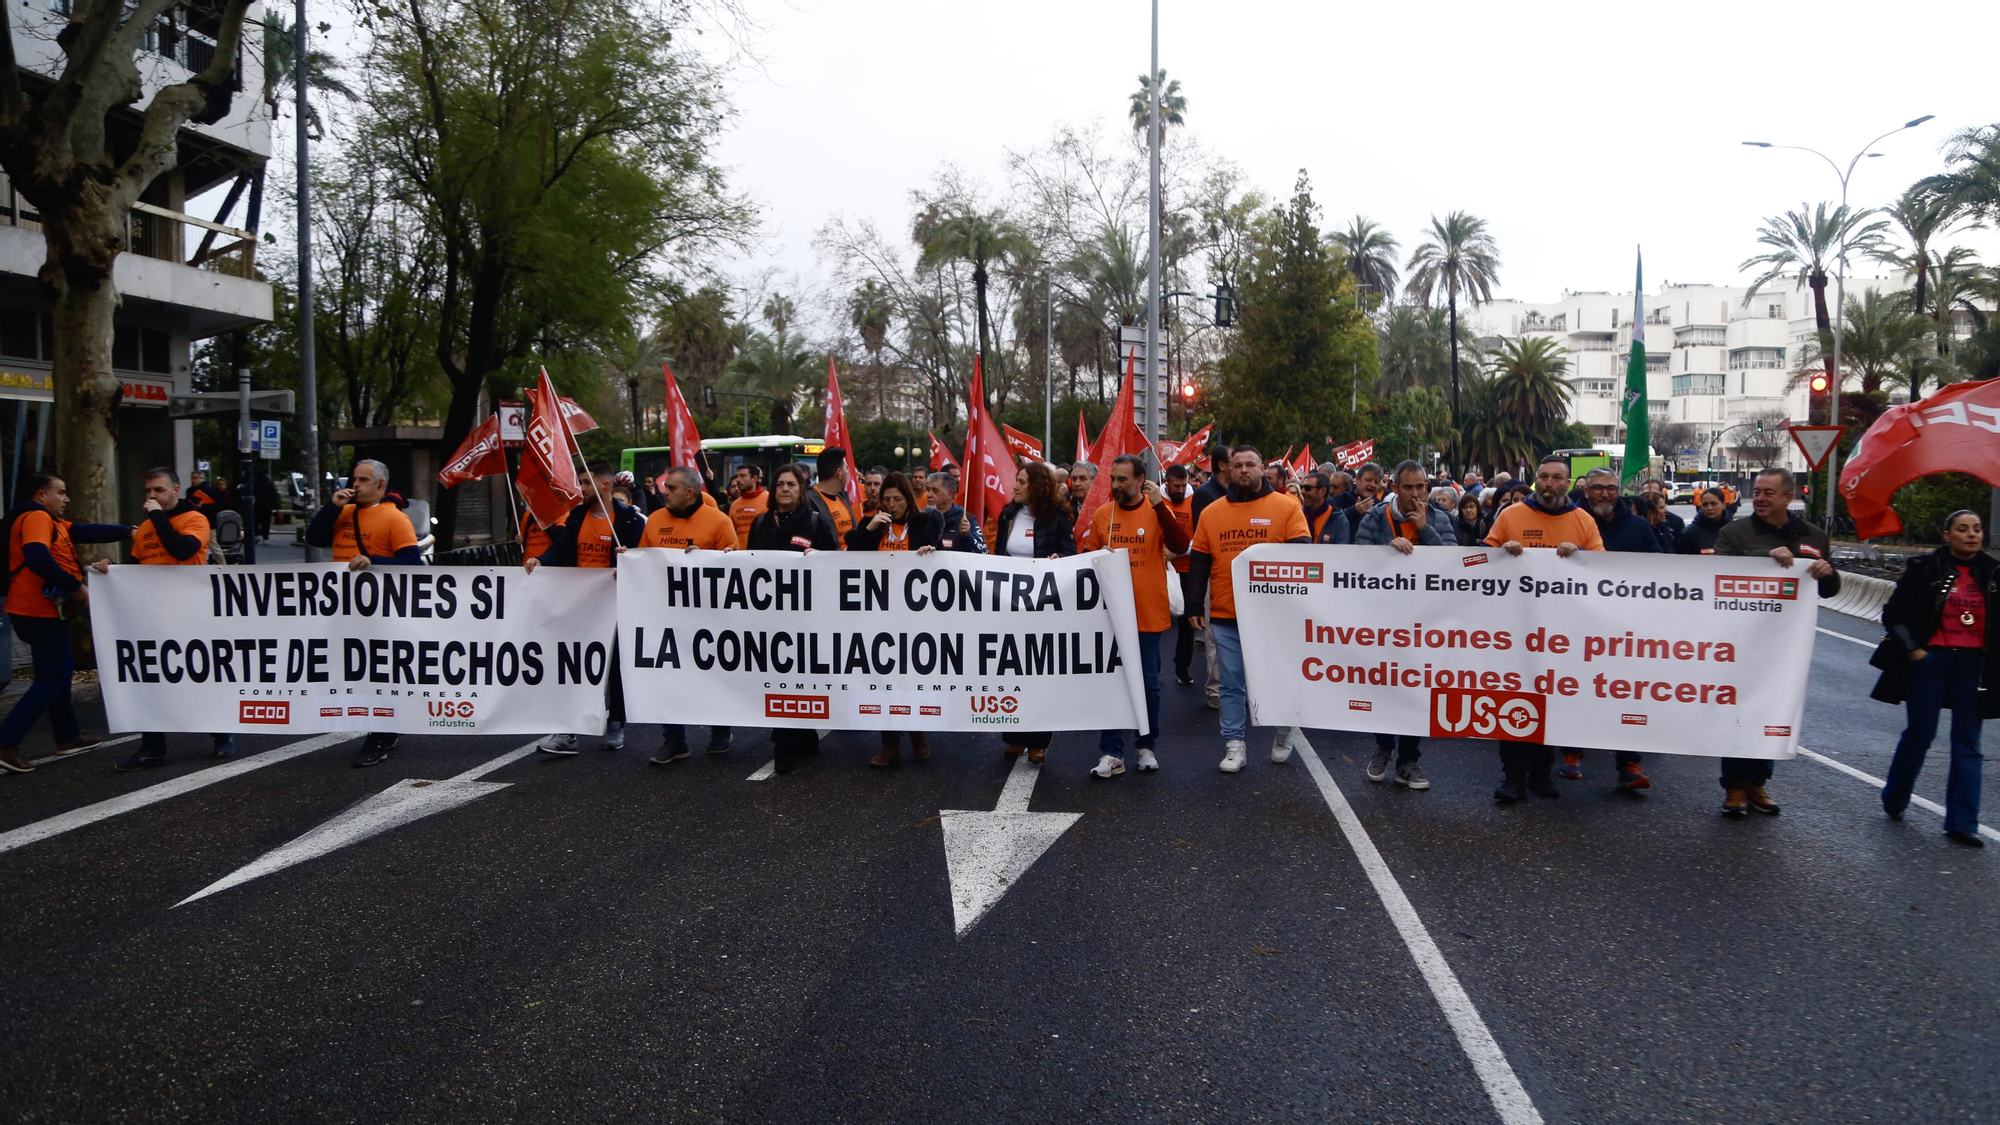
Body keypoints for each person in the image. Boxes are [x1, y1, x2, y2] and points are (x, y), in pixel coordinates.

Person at [1712, 467, 1841, 817]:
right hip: (1739, 641)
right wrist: (1763, 559)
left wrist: (1828, 573)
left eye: (1769, 492)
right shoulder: (1735, 532)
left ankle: (1758, 782)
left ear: (1788, 497)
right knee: (1739, 712)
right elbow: (1715, 575)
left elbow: (1828, 589)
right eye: (1757, 492)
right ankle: (1735, 787)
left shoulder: (1813, 535)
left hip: (1785, 645)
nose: (1761, 498)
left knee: (1772, 712)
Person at [1184, 447, 1310, 774]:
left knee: (1278, 678)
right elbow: (1199, 563)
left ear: (1262, 468)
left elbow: (1303, 558)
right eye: (1237, 465)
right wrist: (1194, 604)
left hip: (1274, 616)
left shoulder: (1287, 507)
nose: (1243, 470)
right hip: (1227, 613)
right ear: (1229, 469)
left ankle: (1283, 727)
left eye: (1250, 464)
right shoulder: (1211, 512)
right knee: (1231, 683)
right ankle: (1234, 744)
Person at [1484, 455, 1603, 803]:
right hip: (1514, 628)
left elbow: (1602, 569)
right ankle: (1514, 777)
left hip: (1561, 632)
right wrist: (1501, 553)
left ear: (1568, 483)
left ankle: (1541, 773)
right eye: (1544, 477)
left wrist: (1581, 555)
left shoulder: (1583, 521)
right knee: (1515, 699)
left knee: (1550, 700)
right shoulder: (1511, 515)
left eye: (1557, 478)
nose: (1549, 484)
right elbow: (1481, 559)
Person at [1873, 509, 1993, 846]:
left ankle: (1963, 823)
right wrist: (1914, 651)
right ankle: (1895, 797)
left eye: (1977, 529)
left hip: (1973, 667)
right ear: (1947, 535)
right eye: (1963, 529)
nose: (1972, 535)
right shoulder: (1925, 568)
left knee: (1968, 743)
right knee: (1921, 734)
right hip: (1930, 662)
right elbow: (1893, 613)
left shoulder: (1993, 572)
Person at [0, 473, 129, 773]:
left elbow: (85, 531)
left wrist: (128, 531)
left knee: (57, 673)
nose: (66, 498)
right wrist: (76, 587)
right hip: (38, 610)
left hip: (35, 610)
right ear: (40, 495)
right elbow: (37, 558)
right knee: (53, 677)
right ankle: (6, 743)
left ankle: (67, 737)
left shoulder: (50, 521)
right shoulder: (36, 517)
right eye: (60, 492)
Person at [112, 468, 234, 772]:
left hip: (189, 612)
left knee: (197, 677)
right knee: (150, 678)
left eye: (159, 490)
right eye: (148, 491)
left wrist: (156, 517)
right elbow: (133, 570)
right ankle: (152, 748)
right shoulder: (145, 528)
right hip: (152, 614)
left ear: (176, 491)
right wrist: (109, 571)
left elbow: (182, 550)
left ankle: (221, 733)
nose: (152, 496)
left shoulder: (195, 519)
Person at [305, 460, 422, 768]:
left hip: (380, 610)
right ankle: (383, 726)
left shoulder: (395, 518)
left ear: (381, 484)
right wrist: (332, 507)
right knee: (354, 667)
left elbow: (413, 563)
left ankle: (381, 734)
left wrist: (374, 561)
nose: (355, 485)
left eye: (363, 480)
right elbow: (315, 538)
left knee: (379, 670)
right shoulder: (343, 511)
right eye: (353, 479)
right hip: (344, 606)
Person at [1349, 460, 1457, 793]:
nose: (1414, 493)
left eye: (1420, 486)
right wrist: (1386, 553)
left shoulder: (1439, 518)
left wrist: (1425, 530)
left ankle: (1408, 760)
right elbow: (1356, 561)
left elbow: (1454, 563)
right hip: (1383, 621)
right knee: (1384, 685)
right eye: (1407, 487)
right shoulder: (1375, 517)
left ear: (1427, 487)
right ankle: (1383, 747)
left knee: (1417, 689)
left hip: (1426, 622)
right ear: (1394, 488)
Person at [524, 463, 646, 756]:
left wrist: (629, 559)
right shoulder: (577, 516)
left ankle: (616, 721)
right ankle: (568, 730)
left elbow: (644, 556)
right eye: (580, 482)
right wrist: (542, 560)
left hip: (615, 606)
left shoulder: (629, 519)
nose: (580, 488)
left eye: (585, 483)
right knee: (574, 665)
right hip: (578, 605)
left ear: (604, 485)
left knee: (614, 667)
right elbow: (562, 548)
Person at [1082, 455, 1191, 778]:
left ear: (1140, 481)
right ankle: (1112, 752)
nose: (1115, 485)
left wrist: (1159, 506)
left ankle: (1146, 745)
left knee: (1147, 684)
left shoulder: (1157, 510)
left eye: (1123, 479)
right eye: (1113, 479)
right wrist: (1098, 557)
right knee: (1112, 682)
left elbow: (1181, 544)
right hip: (1110, 615)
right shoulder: (1104, 514)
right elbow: (1086, 560)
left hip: (1147, 613)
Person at [1561, 467, 1662, 790]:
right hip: (1576, 622)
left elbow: (1660, 567)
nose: (1605, 494)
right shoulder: (1570, 520)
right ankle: (1572, 752)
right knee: (1574, 687)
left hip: (1624, 626)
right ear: (1586, 491)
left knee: (1625, 693)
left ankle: (1629, 762)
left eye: (1611, 488)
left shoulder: (1637, 527)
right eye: (1598, 488)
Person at [638, 465, 740, 764]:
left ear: (690, 492)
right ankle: (675, 740)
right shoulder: (655, 520)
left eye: (671, 488)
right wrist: (627, 560)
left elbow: (736, 567)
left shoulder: (719, 521)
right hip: (664, 615)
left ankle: (720, 730)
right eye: (665, 488)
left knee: (713, 675)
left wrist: (708, 560)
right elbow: (643, 560)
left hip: (709, 618)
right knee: (666, 676)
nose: (664, 493)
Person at [747, 462, 840, 773]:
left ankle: (788, 741)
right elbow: (748, 562)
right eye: (780, 484)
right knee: (777, 675)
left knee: (800, 677)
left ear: (801, 490)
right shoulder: (760, 522)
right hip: (770, 615)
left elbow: (834, 562)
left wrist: (819, 558)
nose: (785, 489)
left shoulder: (813, 521)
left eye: (791, 484)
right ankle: (794, 737)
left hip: (805, 616)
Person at [847, 472, 944, 766]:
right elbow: (850, 557)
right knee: (882, 678)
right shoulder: (871, 523)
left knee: (912, 677)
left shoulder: (925, 522)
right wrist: (869, 530)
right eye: (886, 499)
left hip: (915, 616)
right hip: (878, 614)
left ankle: (917, 732)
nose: (891, 505)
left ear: (908, 499)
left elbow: (941, 558)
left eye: (897, 499)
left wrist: (933, 551)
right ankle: (889, 743)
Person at [991, 461, 1076, 764]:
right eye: (1016, 480)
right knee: (1012, 668)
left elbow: (1070, 552)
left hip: (1043, 606)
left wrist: (1058, 558)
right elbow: (999, 555)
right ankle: (1015, 736)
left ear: (1037, 486)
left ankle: (1039, 741)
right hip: (1010, 605)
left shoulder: (1058, 516)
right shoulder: (1008, 514)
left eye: (1022, 481)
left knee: (1039, 671)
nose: (1015, 486)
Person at [1187, 445, 1233, 710]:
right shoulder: (1204, 494)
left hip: (1240, 574)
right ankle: (1215, 688)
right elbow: (1202, 539)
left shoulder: (1241, 492)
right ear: (1222, 465)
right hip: (1215, 573)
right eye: (1235, 462)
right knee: (1215, 636)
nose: (1240, 468)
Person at [1161, 464, 1198, 684]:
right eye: (1176, 486)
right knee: (1157, 620)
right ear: (1167, 483)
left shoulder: (1195, 500)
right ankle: (1153, 668)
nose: (1181, 490)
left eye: (1184, 485)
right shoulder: (1156, 498)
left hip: (1187, 570)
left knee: (1187, 621)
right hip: (1160, 569)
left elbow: (1201, 536)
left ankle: (1182, 667)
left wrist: (1179, 551)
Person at [805, 447, 860, 547]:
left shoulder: (843, 498)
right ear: (839, 472)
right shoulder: (808, 502)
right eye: (846, 468)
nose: (848, 472)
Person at [928, 470, 985, 553]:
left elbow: (984, 552)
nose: (929, 495)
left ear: (950, 494)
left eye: (935, 491)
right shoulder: (921, 519)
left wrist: (968, 536)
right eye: (928, 490)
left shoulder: (966, 519)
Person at [1676, 488, 1730, 555]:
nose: (1709, 508)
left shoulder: (1733, 531)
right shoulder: (1689, 533)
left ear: (1724, 505)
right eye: (1705, 504)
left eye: (1713, 504)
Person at [727, 465, 767, 546]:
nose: (738, 480)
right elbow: (731, 533)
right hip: (740, 552)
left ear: (754, 479)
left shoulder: (768, 499)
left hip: (762, 551)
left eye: (743, 476)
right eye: (737, 476)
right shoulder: (734, 504)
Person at [253, 472, 278, 541]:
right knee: (266, 522)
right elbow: (273, 496)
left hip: (256, 506)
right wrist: (276, 505)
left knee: (256, 521)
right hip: (267, 507)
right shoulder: (269, 484)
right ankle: (265, 535)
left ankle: (257, 533)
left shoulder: (254, 484)